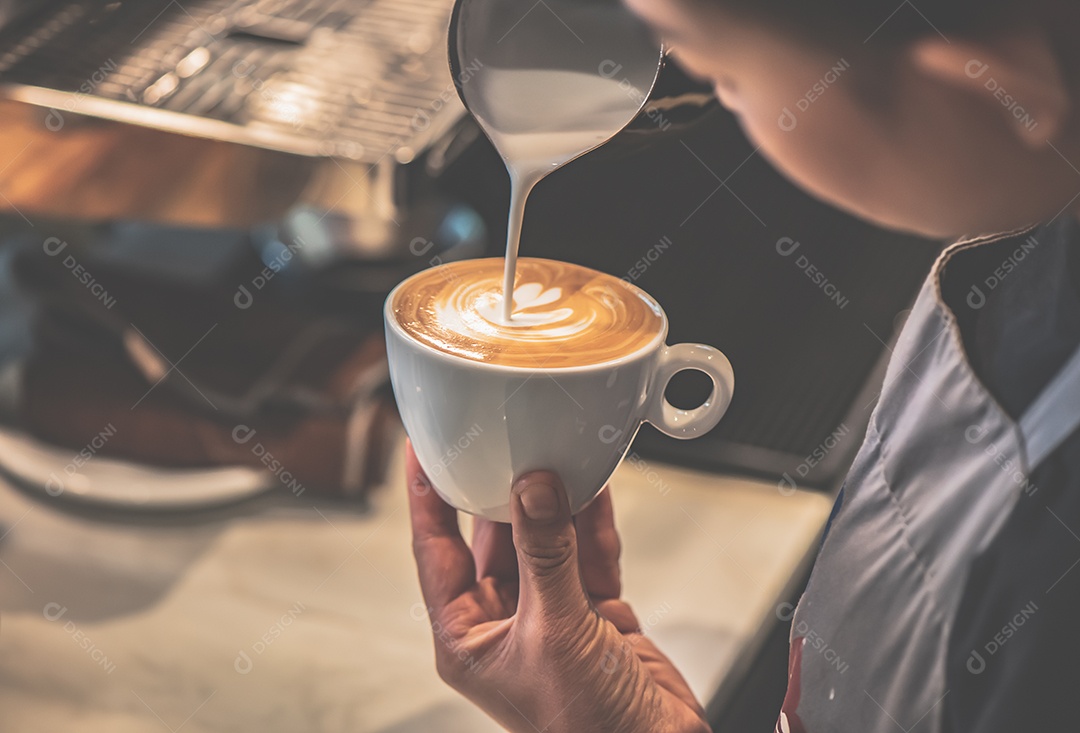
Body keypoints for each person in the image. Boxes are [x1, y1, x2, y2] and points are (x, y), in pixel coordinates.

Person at [407, 0, 1080, 730]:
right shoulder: (1030, 243)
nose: (703, 89)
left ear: (988, 90)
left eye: (722, 73)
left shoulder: (1052, 586)